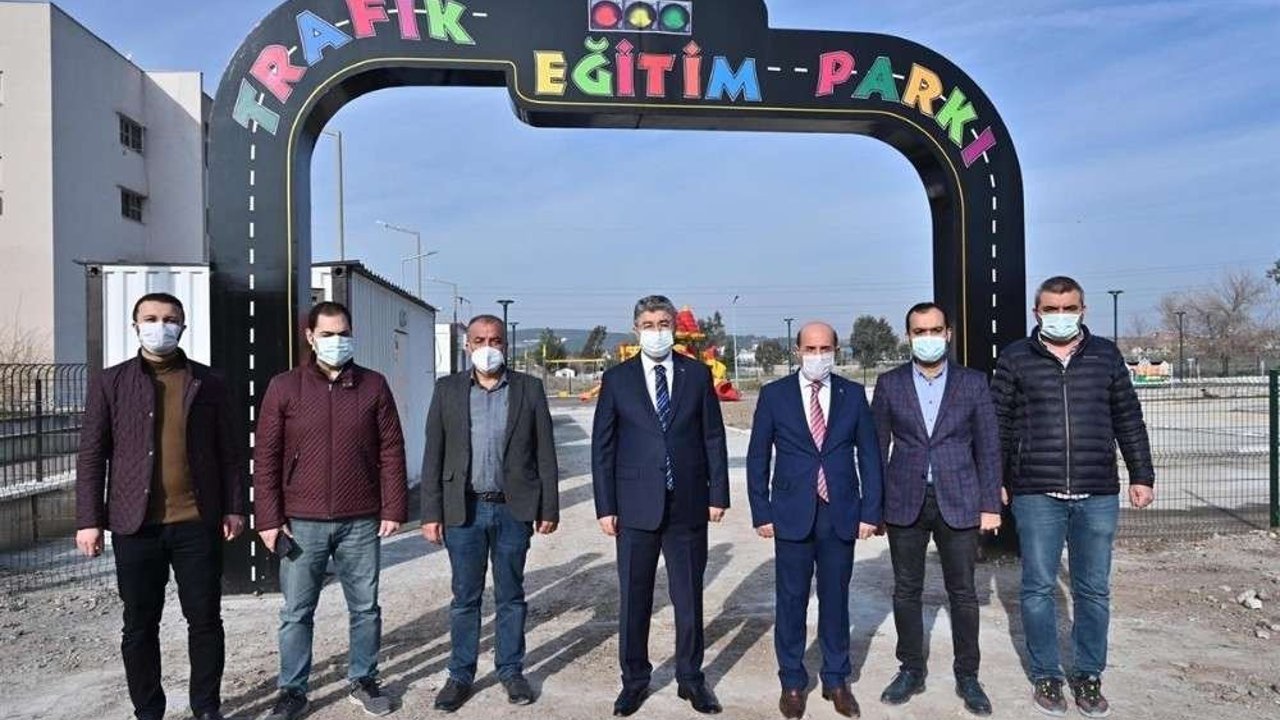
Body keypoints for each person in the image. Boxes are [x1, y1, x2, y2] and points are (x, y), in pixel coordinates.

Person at [75, 292, 245, 720]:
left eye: (170, 319)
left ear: (183, 326)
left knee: (205, 621)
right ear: (135, 326)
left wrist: (235, 506)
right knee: (139, 625)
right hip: (135, 527)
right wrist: (89, 520)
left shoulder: (209, 382)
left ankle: (206, 707)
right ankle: (148, 711)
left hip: (197, 523)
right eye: (150, 318)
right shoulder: (110, 382)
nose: (160, 326)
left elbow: (230, 452)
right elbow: (92, 455)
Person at [991, 276, 1155, 718]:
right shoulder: (1016, 357)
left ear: (1083, 310)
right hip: (1035, 492)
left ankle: (1088, 674)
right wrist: (996, 479)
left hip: (1096, 490)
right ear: (1037, 312)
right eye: (1051, 309)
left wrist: (1141, 474)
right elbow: (998, 423)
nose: (1060, 316)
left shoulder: (1105, 355)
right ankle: (1046, 674)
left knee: (1093, 590)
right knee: (1038, 588)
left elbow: (1127, 416)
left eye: (1068, 308)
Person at [252, 301, 408, 720]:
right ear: (310, 337)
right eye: (327, 334)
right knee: (296, 612)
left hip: (361, 519)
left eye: (343, 333)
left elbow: (392, 449)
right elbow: (266, 456)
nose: (337, 341)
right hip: (301, 523)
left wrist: (393, 506)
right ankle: (293, 690)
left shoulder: (373, 386)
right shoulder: (284, 387)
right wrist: (268, 517)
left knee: (365, 608)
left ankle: (364, 679)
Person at [592, 295, 730, 717]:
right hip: (635, 507)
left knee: (688, 597)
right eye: (649, 325)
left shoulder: (697, 375)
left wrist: (717, 494)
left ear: (675, 328)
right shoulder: (617, 379)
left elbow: (713, 437)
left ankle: (691, 678)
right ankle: (634, 680)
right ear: (636, 329)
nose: (657, 331)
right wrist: (605, 506)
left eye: (663, 323)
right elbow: (603, 447)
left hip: (687, 504)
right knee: (635, 597)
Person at [421, 314, 560, 711]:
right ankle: (459, 675)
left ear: (505, 345)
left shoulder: (529, 389)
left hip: (513, 510)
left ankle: (511, 671)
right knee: (465, 597)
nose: (487, 347)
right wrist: (431, 512)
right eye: (479, 340)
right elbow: (433, 454)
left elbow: (545, 452)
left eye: (495, 340)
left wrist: (548, 506)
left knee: (511, 595)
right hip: (463, 510)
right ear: (467, 346)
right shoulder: (447, 390)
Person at [869, 303, 1001, 716]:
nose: (928, 338)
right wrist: (874, 507)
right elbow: (876, 449)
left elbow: (989, 446)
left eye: (935, 330)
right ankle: (910, 669)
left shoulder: (973, 383)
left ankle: (968, 674)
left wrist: (990, 504)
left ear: (948, 333)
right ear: (908, 336)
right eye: (919, 331)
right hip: (904, 501)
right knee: (906, 590)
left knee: (963, 592)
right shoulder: (889, 384)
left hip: (959, 498)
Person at [746, 322, 882, 719]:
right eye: (810, 348)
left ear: (836, 350)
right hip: (791, 513)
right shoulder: (774, 395)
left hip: (840, 512)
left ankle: (836, 679)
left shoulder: (852, 394)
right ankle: (792, 681)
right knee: (791, 600)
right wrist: (761, 510)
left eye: (825, 348)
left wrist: (870, 512)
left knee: (836, 600)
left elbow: (869, 456)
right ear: (797, 351)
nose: (818, 355)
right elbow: (758, 456)